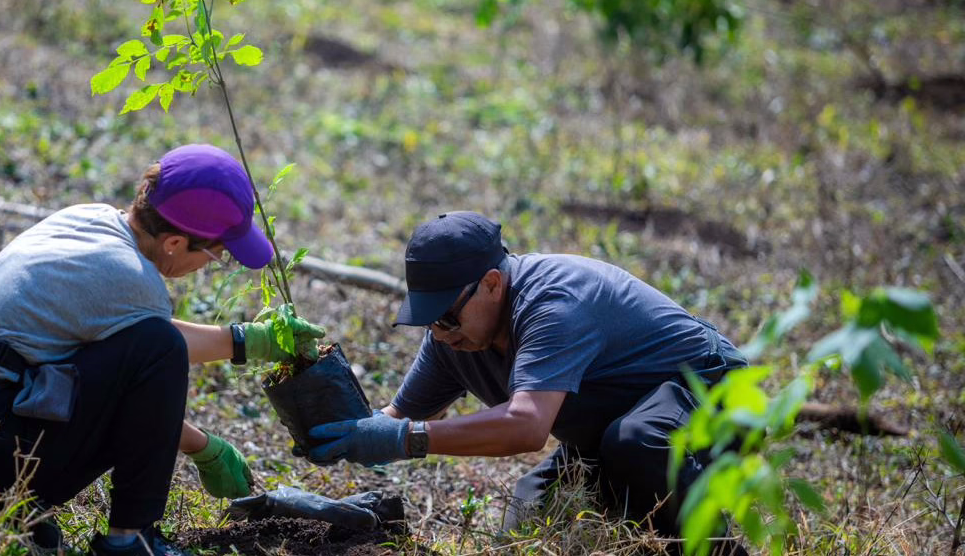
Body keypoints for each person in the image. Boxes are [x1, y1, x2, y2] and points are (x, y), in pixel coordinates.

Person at [0, 144, 326, 556]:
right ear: (174, 242)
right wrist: (202, 445)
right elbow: (152, 360)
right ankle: (131, 540)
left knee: (156, 346)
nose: (210, 266)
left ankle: (13, 513)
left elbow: (125, 345)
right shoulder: (133, 276)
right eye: (216, 255)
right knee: (160, 349)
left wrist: (249, 342)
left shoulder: (89, 220)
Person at [308, 211, 748, 553]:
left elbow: (526, 426)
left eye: (445, 316)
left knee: (636, 444)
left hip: (713, 392)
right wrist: (341, 431)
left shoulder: (553, 304)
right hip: (614, 430)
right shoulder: (452, 338)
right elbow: (396, 419)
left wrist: (408, 440)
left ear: (493, 284)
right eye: (427, 321)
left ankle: (719, 550)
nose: (439, 334)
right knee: (527, 511)